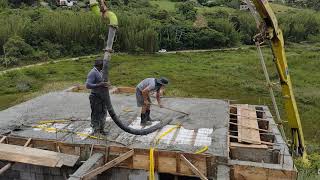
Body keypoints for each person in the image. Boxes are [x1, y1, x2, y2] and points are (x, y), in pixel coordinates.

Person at [86, 59, 110, 135]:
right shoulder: (92, 73)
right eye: (103, 66)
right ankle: (95, 130)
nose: (104, 67)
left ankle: (101, 129)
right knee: (96, 113)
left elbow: (102, 82)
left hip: (102, 96)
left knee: (103, 112)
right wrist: (100, 85)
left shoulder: (100, 72)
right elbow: (88, 85)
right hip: (95, 97)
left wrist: (106, 84)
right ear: (100, 66)